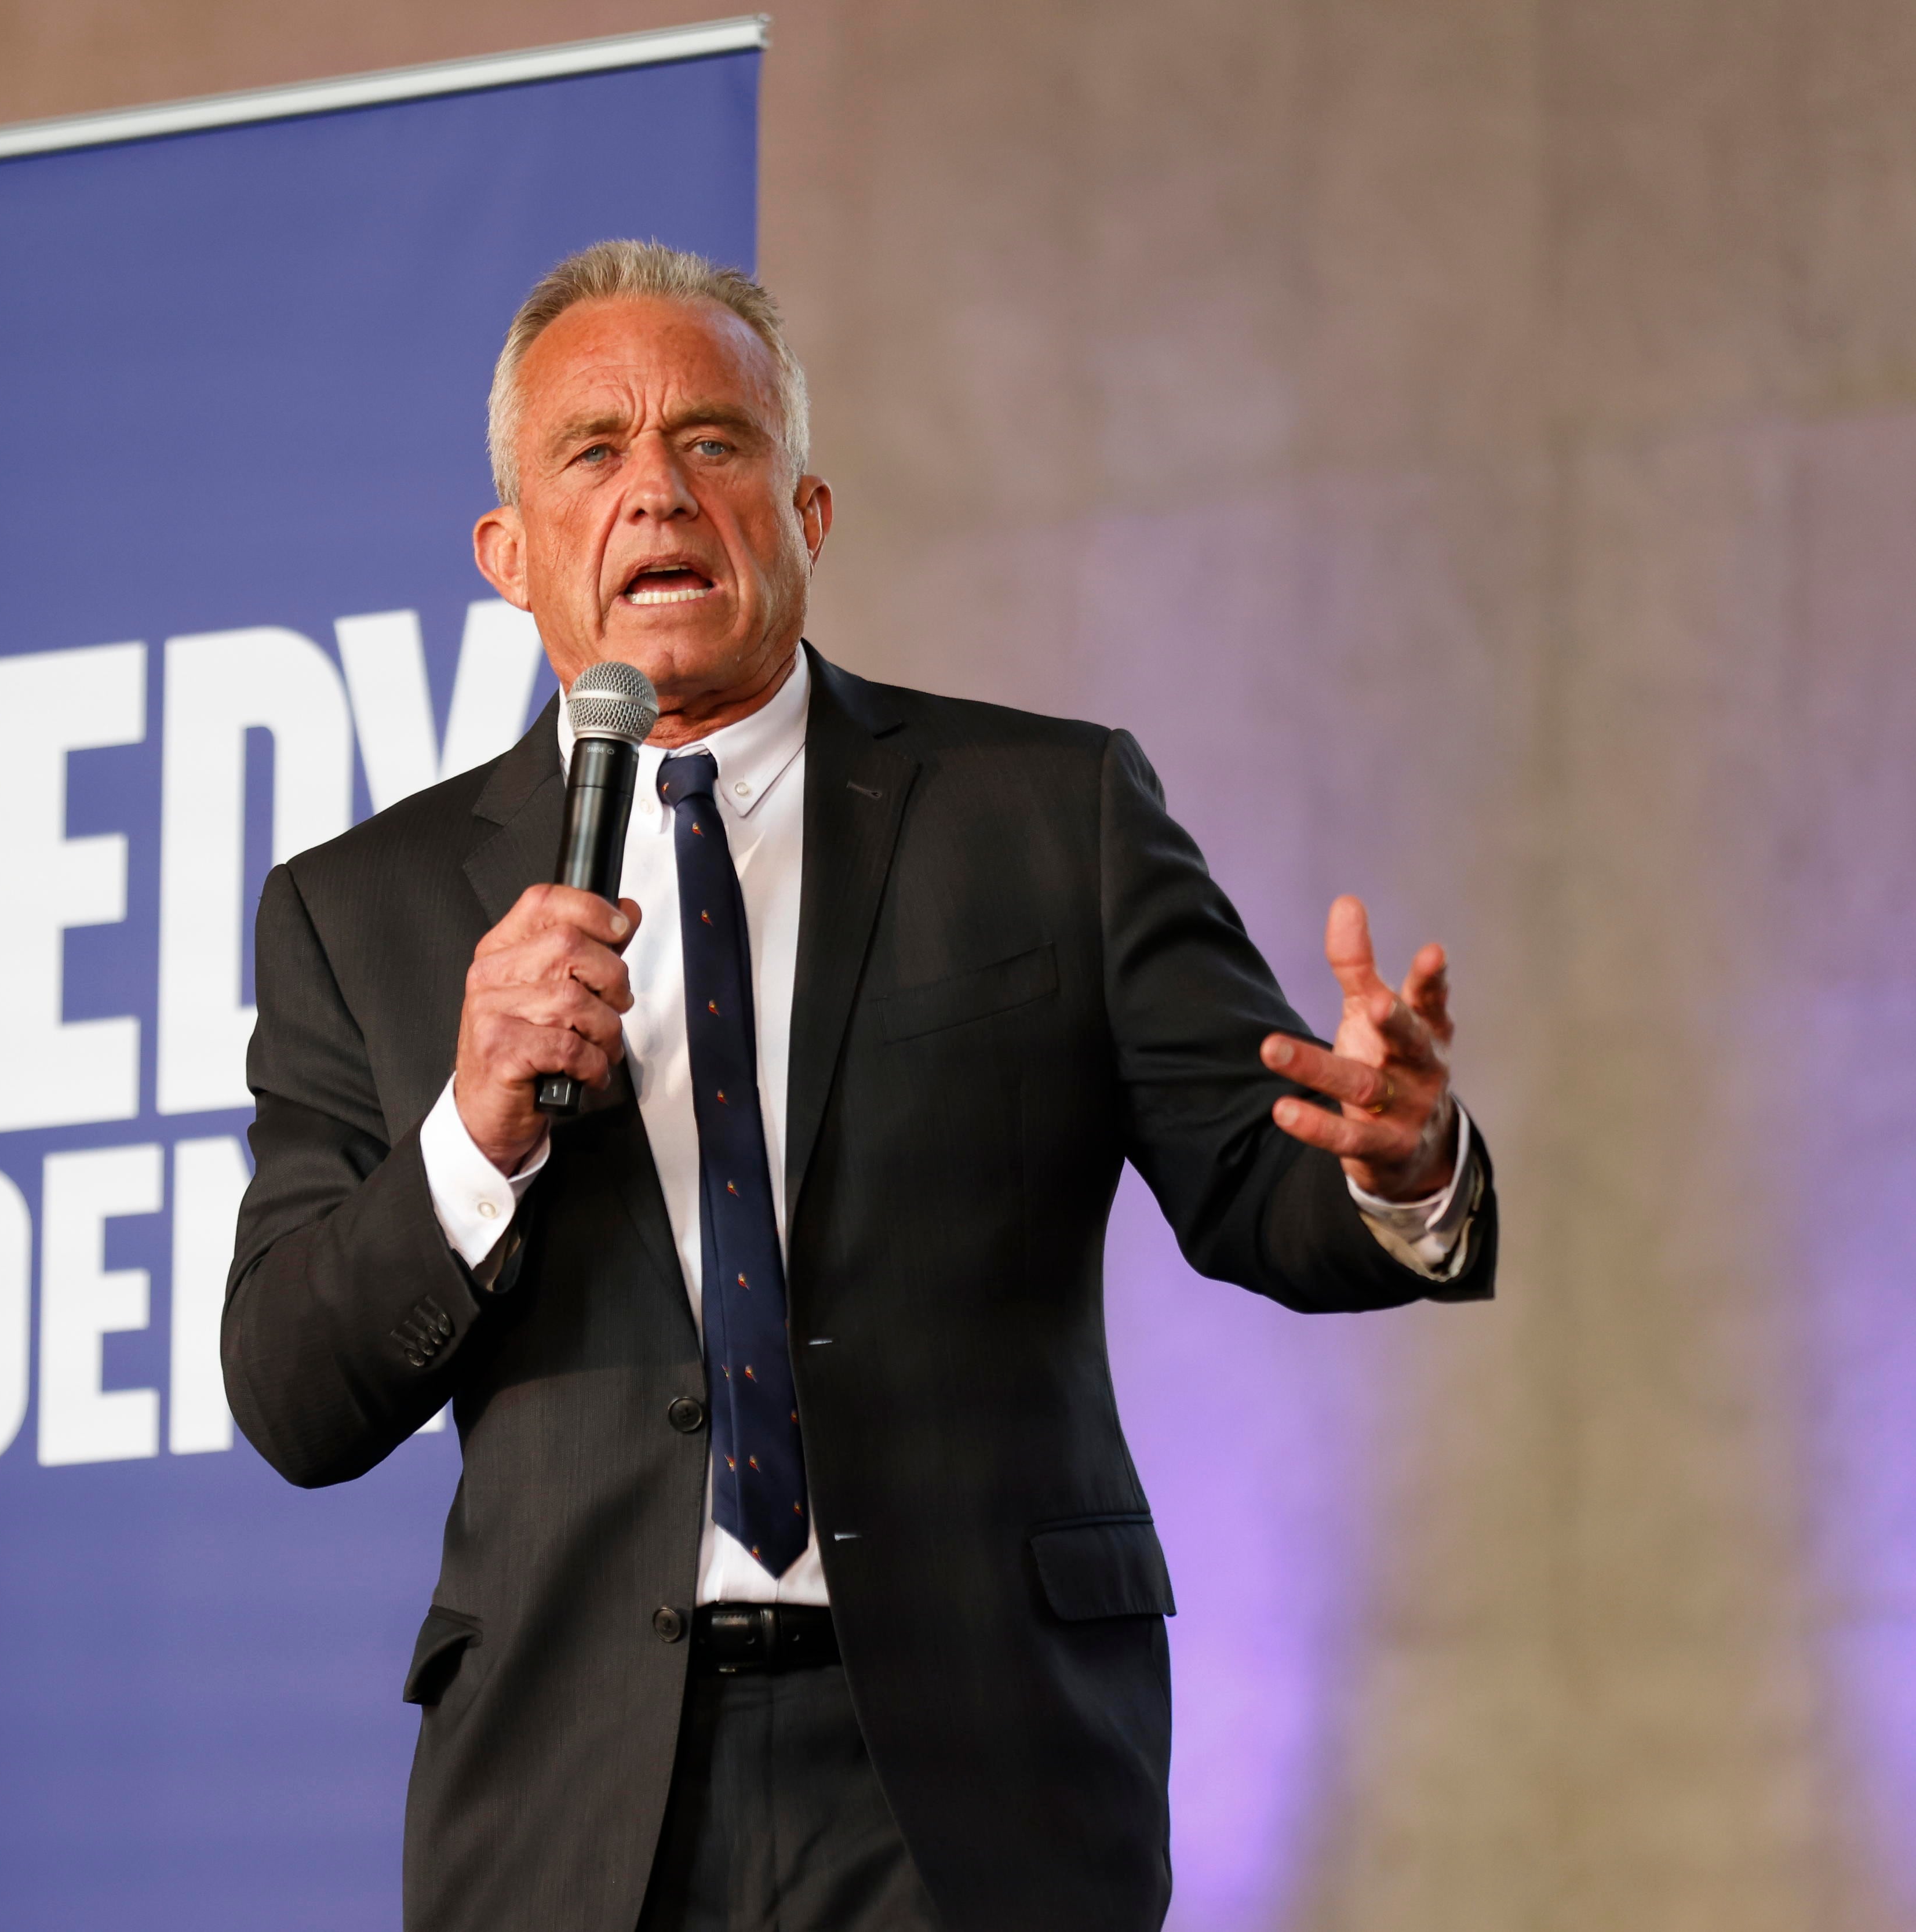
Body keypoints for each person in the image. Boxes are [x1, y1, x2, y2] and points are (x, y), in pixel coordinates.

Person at [221, 241, 1496, 1932]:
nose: (659, 494)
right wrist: (471, 1130)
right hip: (576, 1796)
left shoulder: (1049, 814)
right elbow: (297, 1393)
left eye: (715, 443)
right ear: (508, 554)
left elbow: (1261, 1187)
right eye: (594, 453)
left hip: (980, 1769)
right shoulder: (360, 912)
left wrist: (1399, 1168)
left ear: (806, 516)